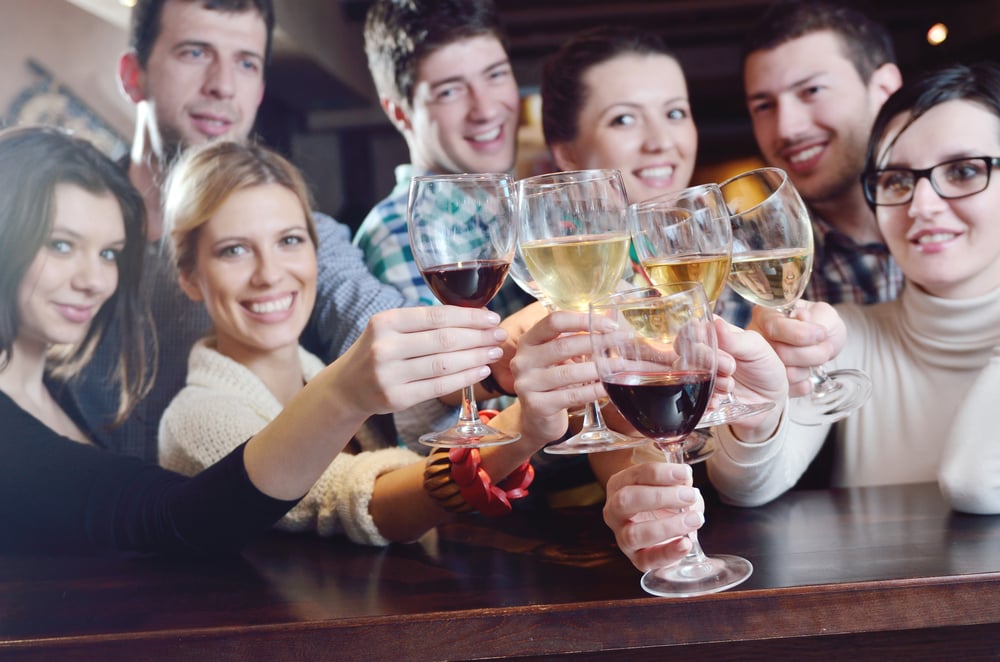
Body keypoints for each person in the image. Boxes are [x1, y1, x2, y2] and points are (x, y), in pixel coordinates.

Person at [0, 125, 505, 555]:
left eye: (109, 254)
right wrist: (343, 393)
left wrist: (505, 369)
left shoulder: (60, 394)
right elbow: (182, 517)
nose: (93, 280)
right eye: (61, 245)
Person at [157, 140, 608, 544]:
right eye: (233, 250)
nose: (270, 274)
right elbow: (357, 499)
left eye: (290, 241)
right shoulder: (198, 417)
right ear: (189, 277)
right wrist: (521, 428)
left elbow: (419, 419)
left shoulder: (324, 375)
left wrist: (503, 365)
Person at [64, 0, 437, 463]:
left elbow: (375, 322)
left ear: (260, 89)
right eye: (194, 53)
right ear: (132, 76)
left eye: (246, 62)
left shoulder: (305, 236)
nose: (222, 86)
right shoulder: (64, 239)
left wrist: (486, 362)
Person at [705, 61, 1000, 515]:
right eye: (899, 180)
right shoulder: (847, 335)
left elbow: (973, 481)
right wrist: (757, 409)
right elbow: (746, 487)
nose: (922, 206)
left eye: (962, 171)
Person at [715, 0, 905, 327]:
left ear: (884, 90)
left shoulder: (961, 218)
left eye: (812, 90)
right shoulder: (749, 264)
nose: (787, 128)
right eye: (764, 106)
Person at [353, 0, 534, 319]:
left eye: (495, 75)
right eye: (449, 92)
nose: (487, 110)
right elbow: (454, 368)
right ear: (399, 113)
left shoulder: (516, 207)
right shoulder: (400, 233)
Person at [540, 26, 698, 206]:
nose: (662, 143)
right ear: (567, 155)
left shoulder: (730, 230)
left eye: (674, 113)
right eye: (624, 120)